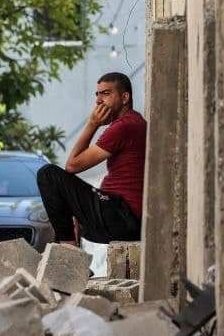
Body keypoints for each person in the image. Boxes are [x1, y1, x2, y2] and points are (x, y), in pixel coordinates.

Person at [36, 72, 145, 245]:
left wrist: (92, 124)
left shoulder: (125, 126)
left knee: (48, 175)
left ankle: (69, 251)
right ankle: (73, 256)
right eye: (97, 94)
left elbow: (72, 165)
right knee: (63, 206)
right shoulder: (134, 121)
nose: (99, 101)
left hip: (124, 218)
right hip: (123, 217)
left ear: (125, 97)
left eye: (106, 94)